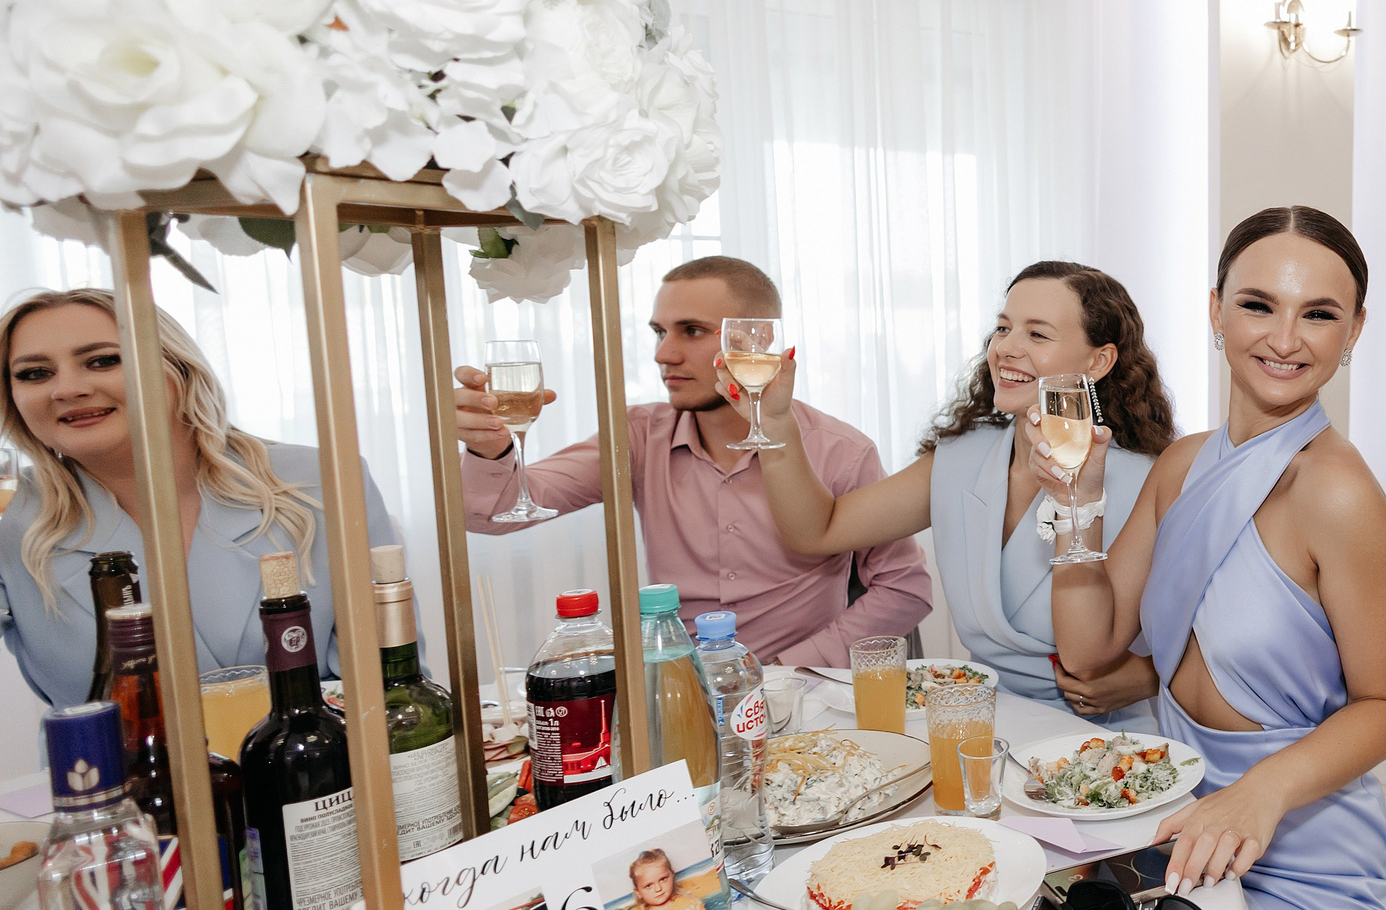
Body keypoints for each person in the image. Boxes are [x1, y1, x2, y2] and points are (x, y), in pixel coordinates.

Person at [1041, 207, 1386, 910]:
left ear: (1354, 330)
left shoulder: (1339, 493)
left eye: (1319, 313)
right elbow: (1089, 647)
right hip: (1180, 840)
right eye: (1258, 304)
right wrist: (1073, 500)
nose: (1285, 338)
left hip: (1307, 869)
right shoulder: (1181, 465)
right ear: (1216, 310)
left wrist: (1260, 794)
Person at [452, 256, 930, 665]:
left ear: (757, 341)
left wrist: (789, 671)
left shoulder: (841, 451)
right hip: (676, 687)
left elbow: (904, 589)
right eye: (660, 332)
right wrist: (487, 448)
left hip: (801, 699)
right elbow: (492, 516)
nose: (664, 354)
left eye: (692, 331)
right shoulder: (638, 436)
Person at [756, 261, 1174, 725]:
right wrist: (776, 422)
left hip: (1100, 739)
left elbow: (1200, 636)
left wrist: (1152, 675)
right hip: (977, 723)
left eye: (1037, 334)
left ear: (1098, 362)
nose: (1005, 348)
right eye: (1003, 328)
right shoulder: (961, 457)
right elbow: (818, 531)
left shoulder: (1147, 481)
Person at [1, 288, 398, 705]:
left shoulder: (323, 480)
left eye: (103, 361)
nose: (67, 389)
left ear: (178, 368)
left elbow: (389, 691)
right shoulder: (11, 516)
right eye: (34, 373)